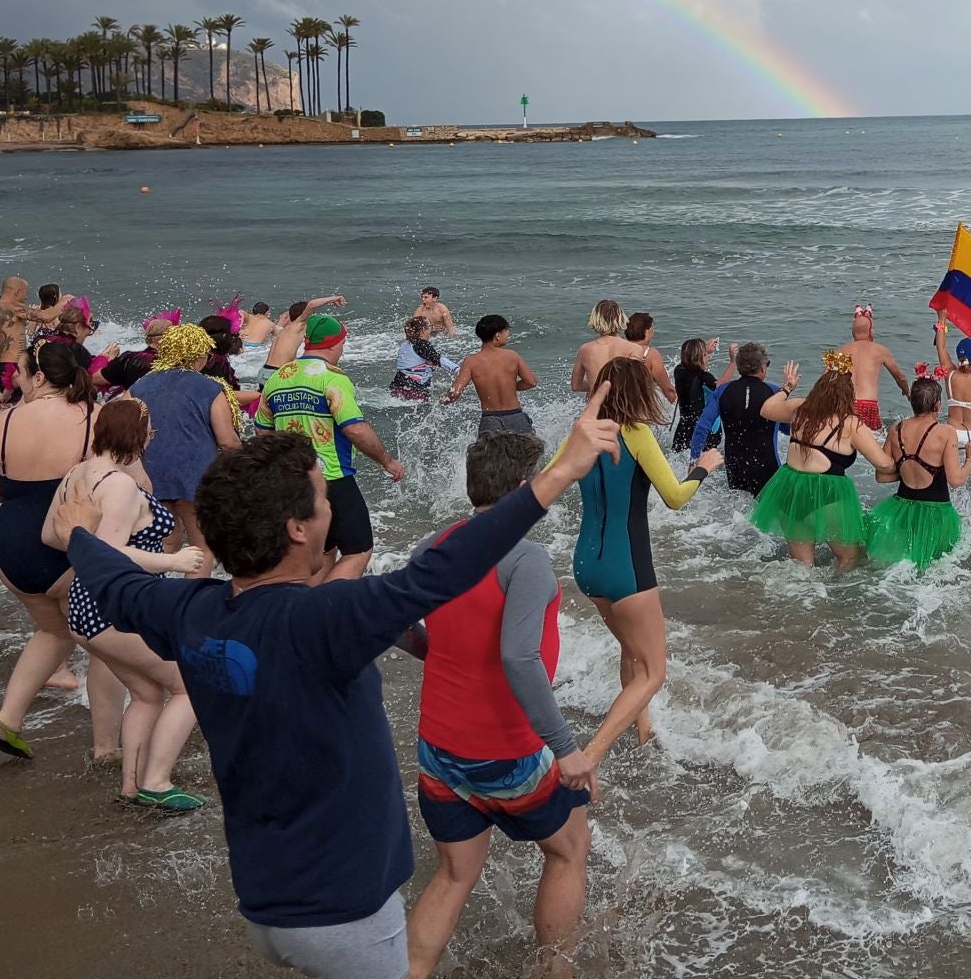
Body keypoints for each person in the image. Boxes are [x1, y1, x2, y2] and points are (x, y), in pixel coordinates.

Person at [48, 387, 622, 979]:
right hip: (344, 913)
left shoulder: (189, 612)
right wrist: (560, 474)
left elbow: (118, 586)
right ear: (299, 529)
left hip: (263, 900)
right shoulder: (327, 619)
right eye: (324, 499)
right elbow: (443, 571)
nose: (332, 510)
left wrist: (81, 538)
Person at [396, 432, 596, 977]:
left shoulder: (432, 546)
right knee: (569, 849)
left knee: (454, 875)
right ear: (525, 486)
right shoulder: (525, 560)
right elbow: (519, 657)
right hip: (506, 750)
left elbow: (398, 625)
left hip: (440, 747)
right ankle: (556, 971)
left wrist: (440, 652)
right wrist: (566, 749)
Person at [548, 357, 723, 751]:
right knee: (654, 672)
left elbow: (548, 479)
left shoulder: (582, 433)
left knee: (630, 650)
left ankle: (644, 731)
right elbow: (675, 497)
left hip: (586, 565)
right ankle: (589, 758)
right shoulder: (636, 433)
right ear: (639, 392)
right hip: (626, 567)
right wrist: (704, 468)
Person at [41, 398, 208, 810]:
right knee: (190, 683)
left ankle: (132, 788)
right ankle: (157, 781)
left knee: (148, 693)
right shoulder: (117, 485)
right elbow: (110, 553)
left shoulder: (77, 473)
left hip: (86, 606)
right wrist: (173, 561)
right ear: (134, 436)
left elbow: (51, 535)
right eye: (148, 433)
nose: (150, 441)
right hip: (117, 609)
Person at [0, 340, 119, 759]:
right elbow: (117, 484)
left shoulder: (5, 420)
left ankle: (7, 722)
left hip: (10, 547)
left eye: (19, 373)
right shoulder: (94, 416)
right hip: (65, 543)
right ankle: (107, 748)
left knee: (55, 630)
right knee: (106, 641)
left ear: (39, 377)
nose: (17, 380)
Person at [256, 312, 405, 581]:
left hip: (292, 480)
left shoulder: (277, 379)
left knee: (322, 552)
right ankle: (331, 605)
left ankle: (308, 604)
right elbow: (354, 428)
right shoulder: (333, 379)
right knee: (358, 550)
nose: (343, 349)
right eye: (342, 344)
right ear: (334, 344)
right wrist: (387, 461)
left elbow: (262, 431)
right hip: (332, 476)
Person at [752, 353, 895, 569]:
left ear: (819, 387)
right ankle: (840, 592)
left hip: (789, 490)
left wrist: (787, 387)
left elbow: (766, 409)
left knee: (802, 565)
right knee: (850, 558)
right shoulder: (849, 424)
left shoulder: (799, 408)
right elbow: (883, 464)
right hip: (826, 496)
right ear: (848, 393)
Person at [131, 323, 240, 573]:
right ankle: (194, 597)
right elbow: (227, 440)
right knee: (201, 546)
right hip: (195, 476)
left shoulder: (139, 386)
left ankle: (151, 590)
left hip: (151, 473)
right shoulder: (211, 388)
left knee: (165, 542)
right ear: (198, 354)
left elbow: (125, 428)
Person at [867, 377, 971, 571]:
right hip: (936, 512)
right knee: (933, 568)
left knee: (904, 564)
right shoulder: (945, 432)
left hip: (901, 509)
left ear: (912, 403)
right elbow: (956, 480)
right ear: (937, 405)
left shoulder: (896, 429)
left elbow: (882, 476)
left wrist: (909, 469)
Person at [699, 342, 787, 495]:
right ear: (762, 367)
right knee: (767, 505)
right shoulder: (774, 392)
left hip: (735, 464)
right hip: (767, 464)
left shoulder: (722, 391)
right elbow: (788, 427)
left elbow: (703, 426)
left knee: (738, 506)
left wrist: (694, 459)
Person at [446, 314, 539, 434]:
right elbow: (531, 382)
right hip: (516, 417)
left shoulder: (471, 361)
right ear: (497, 335)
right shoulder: (512, 356)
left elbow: (455, 392)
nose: (508, 334)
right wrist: (510, 386)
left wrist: (442, 401)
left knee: (490, 447)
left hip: (490, 420)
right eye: (506, 331)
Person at [572, 298, 672, 399]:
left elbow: (576, 386)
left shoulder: (585, 349)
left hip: (597, 405)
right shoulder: (634, 349)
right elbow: (634, 385)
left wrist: (595, 384)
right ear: (620, 319)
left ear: (595, 319)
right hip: (623, 405)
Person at [834, 304, 910, 432]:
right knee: (874, 439)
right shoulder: (880, 350)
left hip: (845, 405)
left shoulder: (840, 351)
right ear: (870, 331)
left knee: (846, 437)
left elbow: (825, 380)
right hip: (868, 405)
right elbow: (900, 377)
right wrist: (906, 391)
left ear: (853, 333)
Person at [262, 293, 348, 372]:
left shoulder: (283, 331)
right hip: (277, 372)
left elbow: (284, 316)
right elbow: (312, 304)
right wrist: (333, 299)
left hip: (264, 370)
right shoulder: (299, 324)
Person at [672, 337, 730, 451]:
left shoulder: (679, 371)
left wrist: (704, 352)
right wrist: (732, 362)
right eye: (705, 355)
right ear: (700, 357)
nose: (707, 357)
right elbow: (720, 387)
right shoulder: (704, 378)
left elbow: (690, 364)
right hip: (704, 431)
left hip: (683, 430)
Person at [390, 316, 461, 403]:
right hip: (414, 392)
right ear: (423, 330)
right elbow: (438, 359)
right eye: (430, 326)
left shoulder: (405, 344)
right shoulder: (422, 345)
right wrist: (458, 369)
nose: (432, 328)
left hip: (396, 388)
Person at [98, 316, 175, 393]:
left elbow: (97, 379)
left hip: (136, 399)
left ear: (147, 339)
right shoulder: (177, 361)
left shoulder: (129, 359)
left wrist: (109, 359)